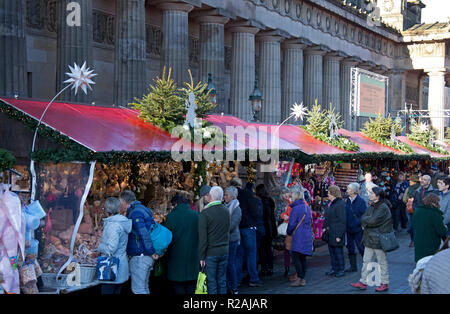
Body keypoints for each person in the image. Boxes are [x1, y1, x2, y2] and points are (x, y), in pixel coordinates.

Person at [350, 187, 393, 292]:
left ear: (377, 195)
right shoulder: (373, 205)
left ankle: (384, 282)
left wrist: (366, 220)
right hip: (370, 238)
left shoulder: (382, 207)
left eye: (371, 193)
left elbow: (372, 220)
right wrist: (366, 220)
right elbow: (365, 218)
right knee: (366, 261)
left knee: (381, 261)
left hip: (378, 238)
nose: (369, 195)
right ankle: (363, 282)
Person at [120, 190, 159, 294]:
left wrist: (151, 252)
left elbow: (143, 233)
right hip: (145, 255)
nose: (120, 205)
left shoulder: (135, 213)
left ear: (124, 201)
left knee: (138, 290)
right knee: (144, 288)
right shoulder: (142, 209)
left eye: (121, 202)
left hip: (140, 256)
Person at [230, 177, 263, 287]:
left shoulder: (230, 196)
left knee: (238, 255)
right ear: (240, 184)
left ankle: (237, 279)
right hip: (248, 227)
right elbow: (255, 212)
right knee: (251, 254)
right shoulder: (248, 195)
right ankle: (253, 278)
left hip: (236, 229)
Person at [165, 194, 199, 295]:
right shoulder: (195, 215)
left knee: (178, 286)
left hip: (176, 257)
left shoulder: (171, 217)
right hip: (193, 256)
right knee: (192, 286)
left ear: (175, 204)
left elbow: (167, 237)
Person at [96, 197, 132, 294]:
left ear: (107, 210)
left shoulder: (113, 225)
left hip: (111, 267)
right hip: (121, 265)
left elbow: (111, 249)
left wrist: (98, 245)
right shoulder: (121, 222)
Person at [199, 186, 230, 294]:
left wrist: (201, 257)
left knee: (211, 283)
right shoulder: (226, 210)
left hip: (211, 253)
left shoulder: (205, 213)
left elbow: (203, 238)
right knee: (222, 281)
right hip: (224, 250)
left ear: (210, 196)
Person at [286, 185, 313, 287]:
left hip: (298, 236)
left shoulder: (295, 208)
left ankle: (300, 278)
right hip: (306, 235)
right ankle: (302, 279)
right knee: (302, 258)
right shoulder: (306, 207)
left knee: (296, 257)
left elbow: (291, 224)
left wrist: (288, 233)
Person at [412, 193, 448, 263]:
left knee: (420, 266)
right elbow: (442, 231)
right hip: (431, 245)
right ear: (436, 202)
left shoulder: (417, 211)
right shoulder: (435, 213)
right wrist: (445, 227)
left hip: (419, 244)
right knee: (430, 266)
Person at [324, 185, 347, 277]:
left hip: (336, 233)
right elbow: (328, 217)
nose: (328, 194)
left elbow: (342, 221)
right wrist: (324, 227)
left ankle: (341, 269)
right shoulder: (332, 203)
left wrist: (339, 235)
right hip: (331, 232)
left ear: (333, 194)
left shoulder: (340, 204)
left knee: (338, 252)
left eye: (329, 193)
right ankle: (334, 268)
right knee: (332, 252)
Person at [344, 183, 367, 272]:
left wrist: (357, 223)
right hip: (349, 228)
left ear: (353, 191)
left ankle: (366, 266)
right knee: (350, 247)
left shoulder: (361, 201)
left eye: (348, 189)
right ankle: (353, 267)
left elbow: (364, 214)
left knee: (361, 247)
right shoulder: (348, 200)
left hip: (357, 229)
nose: (347, 191)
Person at [256, 184, 277, 277]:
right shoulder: (270, 200)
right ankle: (270, 267)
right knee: (268, 249)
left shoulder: (260, 201)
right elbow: (272, 216)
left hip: (263, 227)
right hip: (270, 228)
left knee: (262, 249)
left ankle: (264, 268)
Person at [224, 186, 242, 294]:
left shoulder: (236, 208)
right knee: (227, 264)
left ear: (232, 196)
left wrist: (220, 228)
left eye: (226, 195)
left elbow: (233, 225)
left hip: (232, 239)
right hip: (225, 239)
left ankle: (234, 287)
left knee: (230, 263)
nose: (224, 197)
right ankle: (228, 285)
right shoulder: (225, 206)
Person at [404, 174, 421, 247]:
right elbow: (404, 199)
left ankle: (417, 239)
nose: (409, 181)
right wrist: (409, 200)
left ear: (415, 182)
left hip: (418, 209)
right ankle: (412, 240)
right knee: (411, 226)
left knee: (418, 225)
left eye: (411, 180)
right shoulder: (408, 189)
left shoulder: (420, 189)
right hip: (410, 208)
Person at [279, 186, 293, 277]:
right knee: (286, 249)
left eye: (287, 193)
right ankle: (287, 267)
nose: (286, 195)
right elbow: (278, 213)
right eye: (284, 193)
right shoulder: (282, 203)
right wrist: (283, 215)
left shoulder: (292, 202)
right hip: (285, 228)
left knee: (291, 248)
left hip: (292, 227)